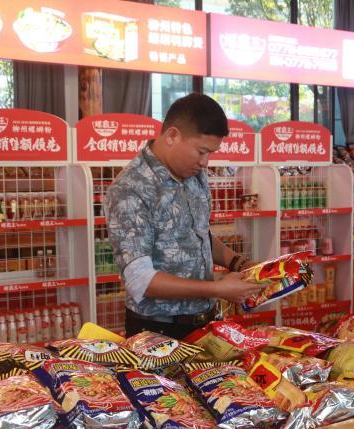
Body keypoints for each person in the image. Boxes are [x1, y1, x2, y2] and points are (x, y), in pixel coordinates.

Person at [104, 93, 264, 339]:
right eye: (201, 151)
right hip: (158, 330)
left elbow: (199, 235)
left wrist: (239, 263)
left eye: (210, 153)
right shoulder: (130, 188)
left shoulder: (193, 175)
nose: (205, 162)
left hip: (205, 321)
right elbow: (140, 280)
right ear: (172, 136)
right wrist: (217, 288)